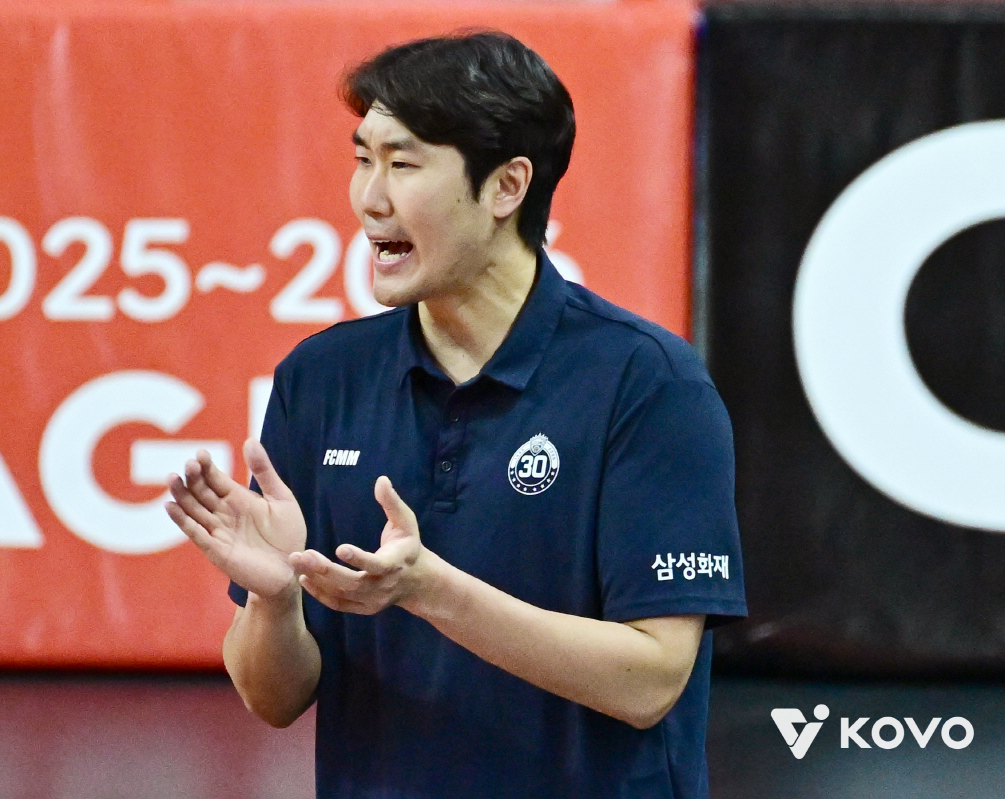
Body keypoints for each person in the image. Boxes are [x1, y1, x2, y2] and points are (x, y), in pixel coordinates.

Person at [166, 31, 746, 798]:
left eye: (402, 164)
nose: (369, 198)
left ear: (506, 187)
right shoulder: (322, 378)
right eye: (362, 159)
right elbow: (273, 699)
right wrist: (275, 600)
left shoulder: (648, 383)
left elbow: (651, 679)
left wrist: (429, 589)